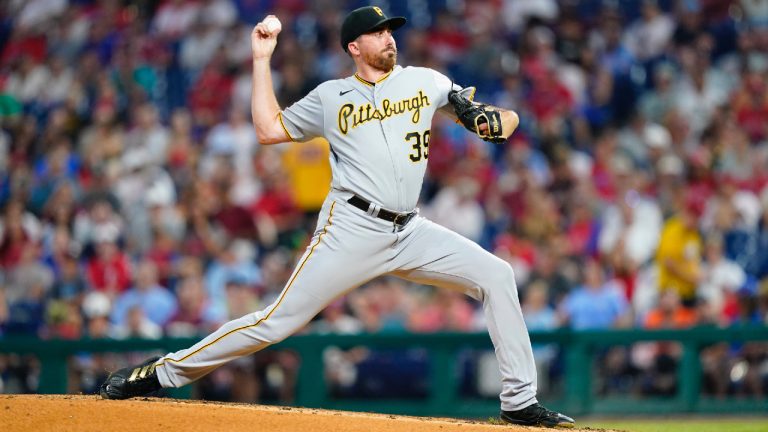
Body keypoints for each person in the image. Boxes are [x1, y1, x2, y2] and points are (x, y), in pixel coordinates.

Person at [99, 6, 574, 428]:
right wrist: (262, 60)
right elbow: (268, 130)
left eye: (391, 30)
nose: (389, 37)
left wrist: (495, 121)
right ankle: (160, 373)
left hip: (410, 229)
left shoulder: (426, 81)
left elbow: (498, 117)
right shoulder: (331, 97)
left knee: (497, 274)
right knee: (275, 322)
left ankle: (519, 402)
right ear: (354, 46)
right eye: (378, 32)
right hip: (351, 228)